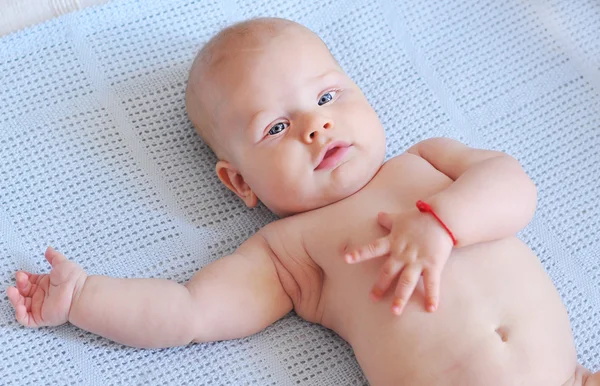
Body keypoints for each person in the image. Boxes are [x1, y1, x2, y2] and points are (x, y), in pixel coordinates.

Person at [6, 17, 599, 386]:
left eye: (327, 95)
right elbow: (190, 313)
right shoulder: (286, 253)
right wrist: (84, 299)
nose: (316, 126)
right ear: (240, 183)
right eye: (275, 128)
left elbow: (516, 187)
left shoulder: (429, 161)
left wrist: (443, 225)